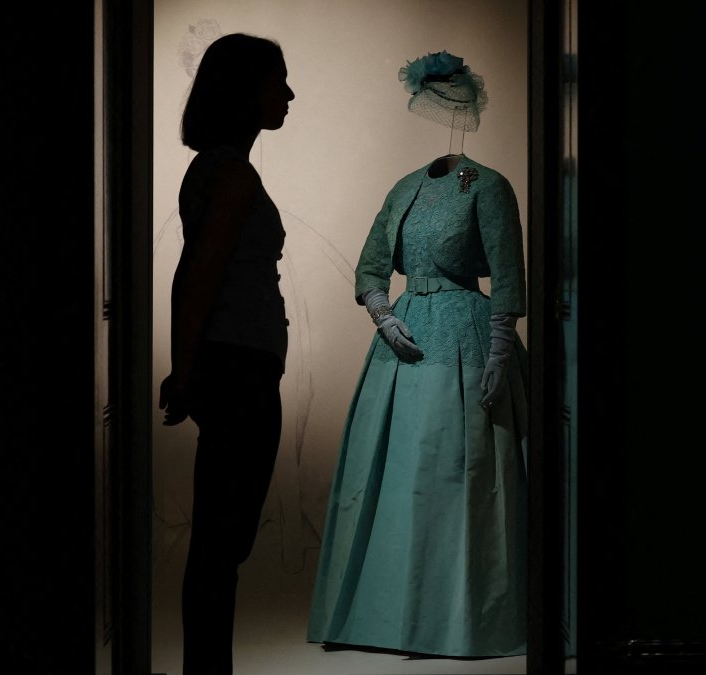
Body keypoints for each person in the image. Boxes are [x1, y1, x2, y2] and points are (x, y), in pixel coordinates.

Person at [307, 50, 529, 657]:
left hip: (464, 331)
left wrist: (500, 346)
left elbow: (508, 271)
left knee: (454, 474)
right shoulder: (405, 187)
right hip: (405, 339)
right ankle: (386, 616)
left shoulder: (488, 185)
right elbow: (371, 263)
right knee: (397, 473)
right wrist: (382, 315)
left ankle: (453, 618)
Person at [157, 32, 295, 675]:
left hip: (232, 365)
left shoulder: (217, 167)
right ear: (246, 92)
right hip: (237, 368)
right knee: (221, 541)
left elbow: (197, 275)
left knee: (221, 539)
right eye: (278, 82)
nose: (288, 94)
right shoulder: (232, 174)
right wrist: (185, 372)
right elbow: (199, 275)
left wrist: (188, 370)